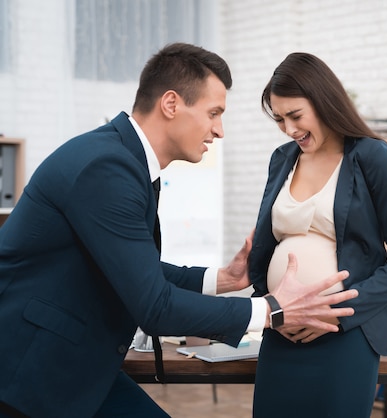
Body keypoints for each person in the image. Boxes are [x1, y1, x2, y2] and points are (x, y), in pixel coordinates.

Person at [0, 43, 359, 418]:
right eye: (214, 113)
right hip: (27, 371)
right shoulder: (106, 169)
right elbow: (154, 306)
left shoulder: (123, 160)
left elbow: (133, 267)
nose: (219, 130)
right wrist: (270, 310)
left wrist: (220, 279)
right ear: (171, 104)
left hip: (76, 363)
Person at [248, 52, 387, 418]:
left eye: (295, 116)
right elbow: (268, 245)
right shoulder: (282, 159)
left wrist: (335, 314)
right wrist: (272, 306)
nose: (289, 129)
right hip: (282, 330)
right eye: (279, 119)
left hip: (346, 334)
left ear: (324, 101)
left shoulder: (372, 157)